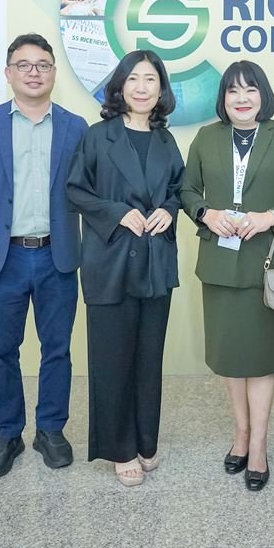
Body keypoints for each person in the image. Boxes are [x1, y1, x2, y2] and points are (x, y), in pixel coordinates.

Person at [179, 60, 274, 492]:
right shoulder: (206, 138)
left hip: (267, 264)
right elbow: (187, 191)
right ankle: (239, 434)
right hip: (220, 264)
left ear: (263, 95)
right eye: (233, 90)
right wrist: (207, 213)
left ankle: (258, 445)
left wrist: (269, 217)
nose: (242, 98)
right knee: (230, 360)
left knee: (259, 360)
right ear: (223, 98)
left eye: (250, 90)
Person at [0, 32, 88, 478]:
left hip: (57, 256)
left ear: (54, 72)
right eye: (24, 65)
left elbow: (83, 188)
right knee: (2, 350)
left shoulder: (75, 127)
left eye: (43, 65)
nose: (34, 72)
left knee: (57, 350)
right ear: (8, 72)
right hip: (5, 257)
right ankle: (8, 433)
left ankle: (50, 430)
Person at [66, 50, 184, 487]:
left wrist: (170, 209)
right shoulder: (98, 137)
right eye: (133, 78)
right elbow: (76, 190)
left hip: (154, 263)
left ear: (161, 89)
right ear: (119, 86)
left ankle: (146, 439)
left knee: (149, 358)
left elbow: (179, 188)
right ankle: (119, 448)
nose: (141, 87)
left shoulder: (166, 141)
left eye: (150, 79)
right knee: (112, 359)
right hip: (110, 260)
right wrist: (117, 212)